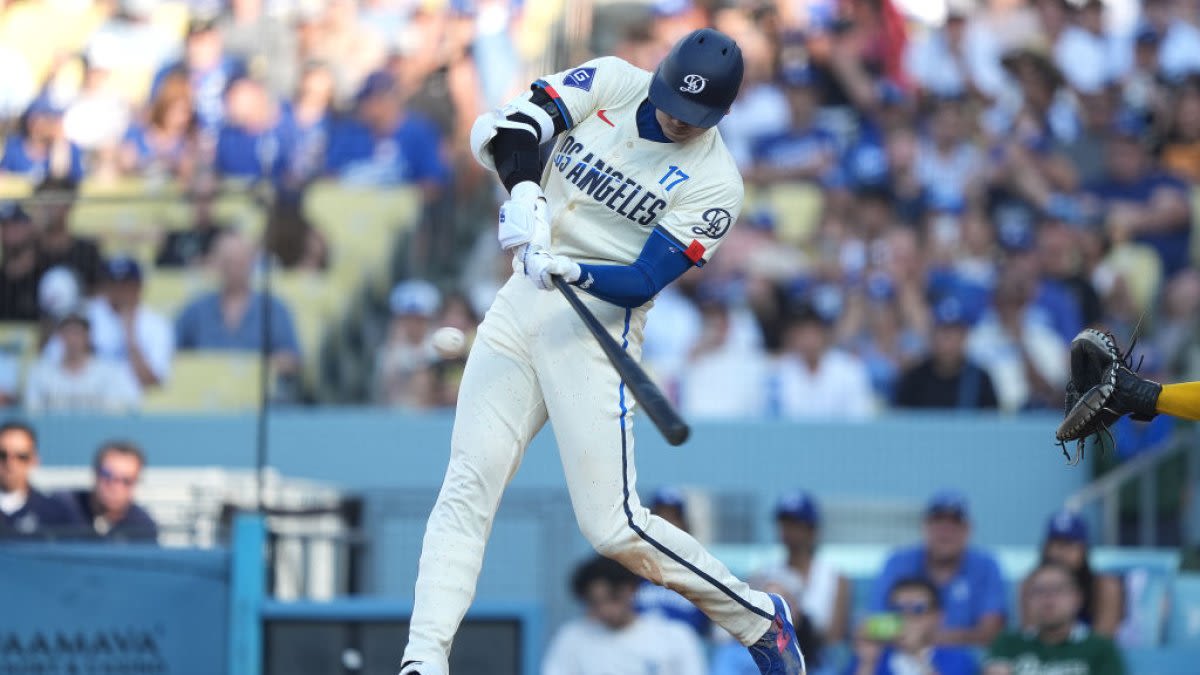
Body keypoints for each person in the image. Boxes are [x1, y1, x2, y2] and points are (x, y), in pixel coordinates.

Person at [398, 29, 805, 675]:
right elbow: (517, 130)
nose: (677, 117)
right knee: (466, 486)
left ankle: (758, 617)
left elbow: (646, 278)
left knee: (612, 526)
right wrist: (527, 192)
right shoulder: (615, 80)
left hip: (597, 327)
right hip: (517, 307)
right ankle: (423, 658)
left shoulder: (716, 181)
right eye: (674, 100)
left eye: (696, 114)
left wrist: (569, 266)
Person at [869, 491, 1007, 647]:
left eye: (954, 523)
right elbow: (874, 625)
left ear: (968, 530)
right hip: (901, 658)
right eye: (938, 522)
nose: (945, 532)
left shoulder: (986, 566)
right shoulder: (897, 562)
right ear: (924, 527)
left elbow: (991, 632)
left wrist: (922, 638)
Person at [542, 555, 707, 675]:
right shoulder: (571, 640)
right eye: (596, 603)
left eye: (613, 599)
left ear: (631, 589)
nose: (606, 610)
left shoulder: (676, 637)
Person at [174, 231, 301, 376]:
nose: (234, 269)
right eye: (228, 262)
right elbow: (173, 353)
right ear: (217, 264)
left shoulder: (274, 309)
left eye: (240, 262)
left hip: (258, 394)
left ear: (251, 263)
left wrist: (260, 366)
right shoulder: (195, 310)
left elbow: (293, 359)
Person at [40, 257, 174, 391]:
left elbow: (151, 382)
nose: (119, 291)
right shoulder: (84, 313)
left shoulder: (156, 325)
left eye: (126, 284)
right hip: (85, 398)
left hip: (133, 403)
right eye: (113, 283)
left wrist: (130, 334)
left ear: (138, 287)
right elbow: (51, 361)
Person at [985, 562, 1125, 675]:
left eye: (1058, 590)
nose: (1048, 599)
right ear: (1027, 600)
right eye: (1040, 591)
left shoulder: (1101, 648)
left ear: (1077, 598)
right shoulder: (1007, 644)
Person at [754, 491, 852, 647]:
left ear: (811, 530)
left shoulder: (834, 577)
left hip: (819, 662)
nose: (788, 530)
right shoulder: (764, 575)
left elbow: (835, 641)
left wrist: (801, 624)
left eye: (795, 524)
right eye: (784, 523)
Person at [1020, 511, 1123, 638]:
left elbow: (1104, 641)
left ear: (1084, 549)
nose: (1059, 552)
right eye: (1055, 544)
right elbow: (1031, 635)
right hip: (1044, 655)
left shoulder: (1103, 585)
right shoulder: (1031, 583)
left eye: (1068, 545)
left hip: (1089, 656)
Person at [847, 577, 979, 675]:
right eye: (898, 609)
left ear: (938, 617)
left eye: (918, 609)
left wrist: (917, 654)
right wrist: (867, 663)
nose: (907, 616)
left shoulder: (959, 659)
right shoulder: (870, 657)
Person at [633, 487, 712, 639]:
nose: (666, 524)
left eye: (673, 518)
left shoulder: (702, 571)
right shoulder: (630, 568)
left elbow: (712, 630)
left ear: (685, 525)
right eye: (660, 517)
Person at [894, 297, 999, 410]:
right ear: (932, 335)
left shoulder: (980, 379)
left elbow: (992, 422)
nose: (948, 340)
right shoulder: (914, 379)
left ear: (964, 336)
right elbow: (900, 420)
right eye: (943, 331)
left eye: (954, 332)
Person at [23, 312, 141, 412]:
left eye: (78, 333)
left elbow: (124, 409)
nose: (73, 339)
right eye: (68, 333)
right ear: (60, 336)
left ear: (88, 336)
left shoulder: (111, 372)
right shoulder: (41, 373)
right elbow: (32, 410)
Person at [56, 440, 157, 542]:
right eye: (107, 475)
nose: (115, 487)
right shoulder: (62, 510)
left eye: (126, 481)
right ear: (95, 473)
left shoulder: (143, 529)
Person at [31, 176, 106, 295]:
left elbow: (99, 294)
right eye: (42, 199)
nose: (47, 207)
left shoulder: (86, 252)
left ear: (69, 205)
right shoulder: (28, 251)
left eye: (54, 200)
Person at [0, 420, 75, 537]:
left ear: (34, 460)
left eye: (21, 456)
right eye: (2, 455)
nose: (10, 463)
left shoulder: (54, 514)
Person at [0, 202, 42, 321]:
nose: (10, 230)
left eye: (16, 223)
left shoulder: (45, 271)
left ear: (30, 226)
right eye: (5, 225)